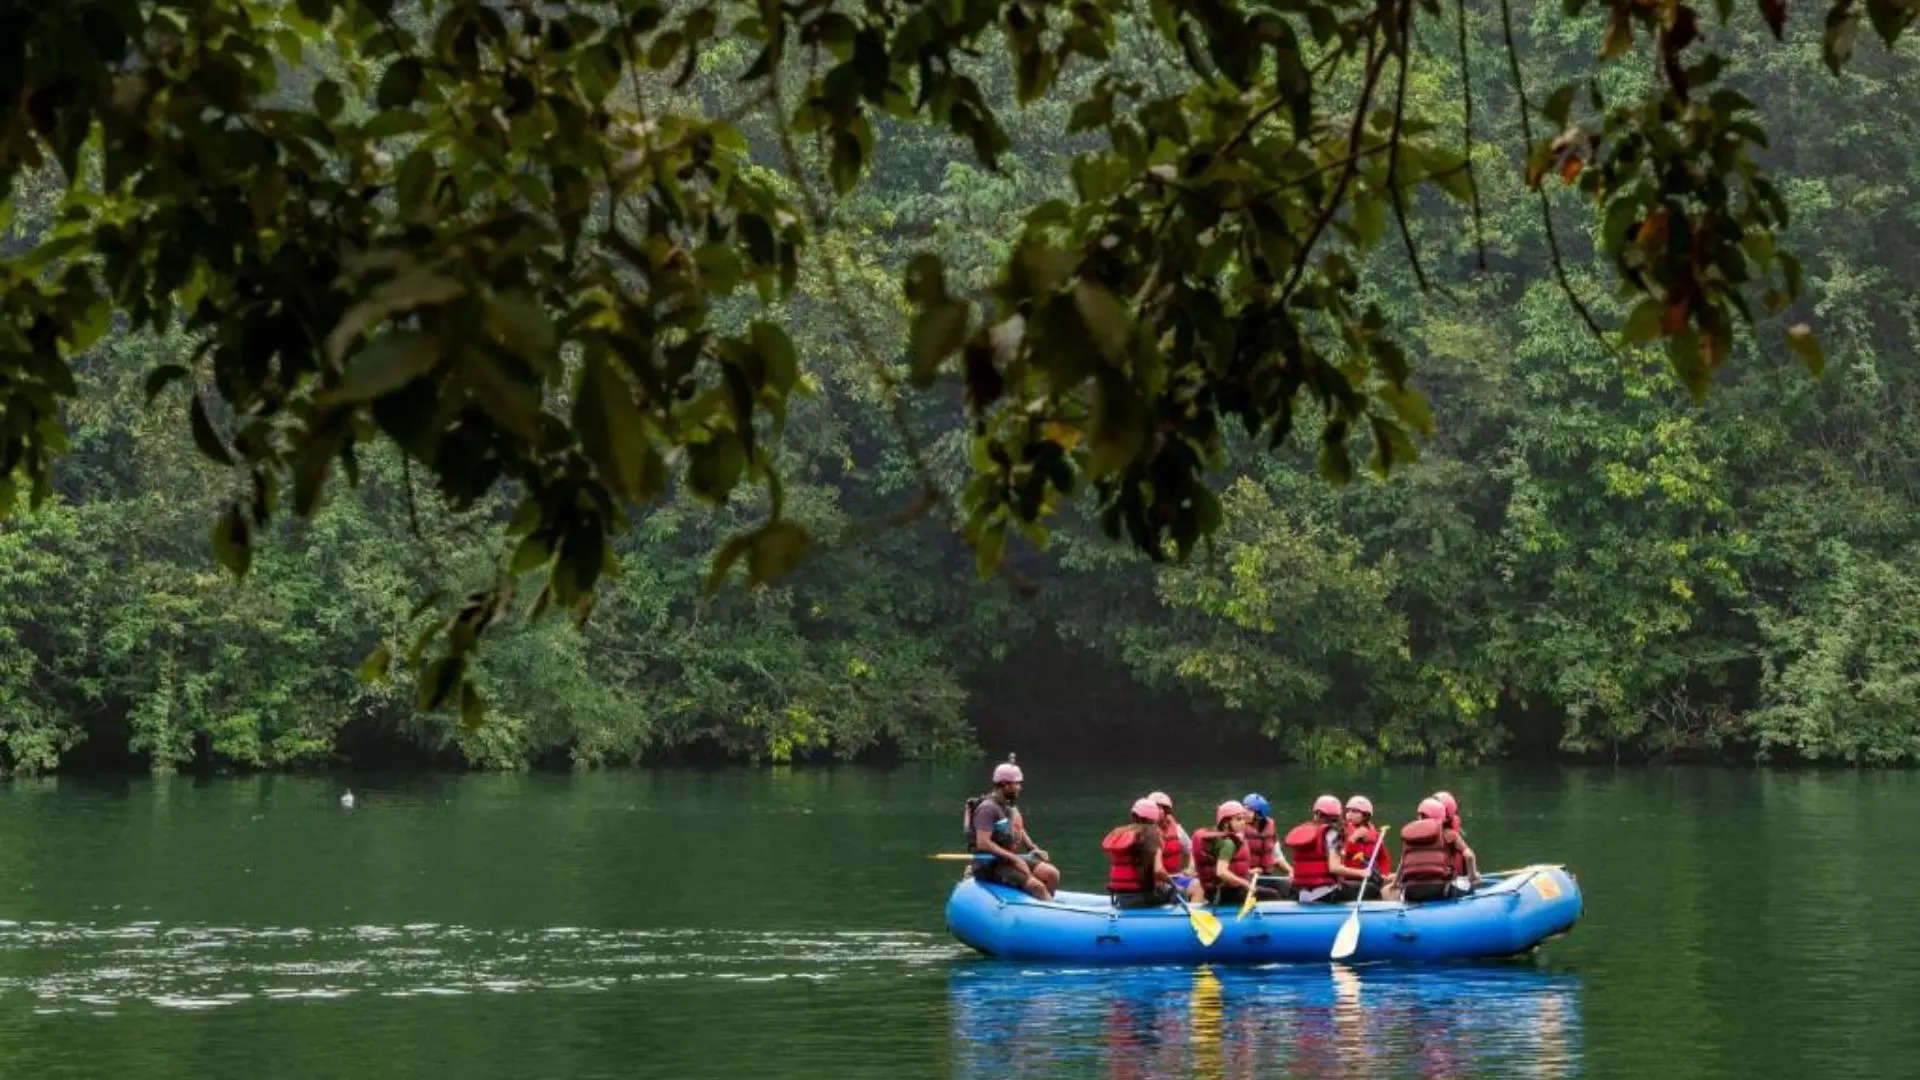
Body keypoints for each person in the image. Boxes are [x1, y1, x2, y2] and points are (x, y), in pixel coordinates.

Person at [967, 761, 1059, 899]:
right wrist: (1015, 859)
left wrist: (1032, 848)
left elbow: (1018, 829)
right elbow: (983, 843)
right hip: (990, 864)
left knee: (1051, 873)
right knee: (1037, 887)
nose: (1019, 788)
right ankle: (1046, 906)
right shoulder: (988, 809)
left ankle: (1045, 904)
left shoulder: (1008, 806)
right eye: (1016, 784)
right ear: (1004, 785)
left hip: (1007, 859)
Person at [1193, 801, 1283, 907]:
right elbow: (1221, 872)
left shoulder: (1220, 838)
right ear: (1226, 822)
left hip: (1218, 892)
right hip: (1224, 894)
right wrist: (1244, 883)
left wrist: (1249, 871)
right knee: (1273, 895)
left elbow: (1226, 865)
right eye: (1238, 819)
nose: (1243, 822)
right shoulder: (1228, 843)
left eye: (1244, 819)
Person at [1103, 797, 1178, 908]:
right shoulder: (1154, 836)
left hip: (1120, 896)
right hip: (1143, 896)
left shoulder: (1120, 833)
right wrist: (1172, 883)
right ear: (1155, 817)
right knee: (1179, 891)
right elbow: (1158, 871)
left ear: (1133, 815)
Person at [1391, 798, 1467, 902]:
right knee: (1469, 890)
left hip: (1411, 891)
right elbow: (1469, 856)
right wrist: (1473, 877)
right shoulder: (1450, 834)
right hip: (1440, 889)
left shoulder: (1410, 836)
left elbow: (1402, 863)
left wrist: (1394, 884)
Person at [1282, 794, 1354, 902]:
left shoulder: (1305, 832)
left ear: (1316, 813)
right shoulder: (1333, 833)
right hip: (1325, 893)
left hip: (1300, 893)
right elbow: (1334, 868)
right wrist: (1361, 872)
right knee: (1365, 889)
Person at [1149, 791, 1204, 902]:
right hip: (1152, 881)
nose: (1157, 811)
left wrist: (1191, 868)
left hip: (1174, 877)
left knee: (1200, 885)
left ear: (1166, 811)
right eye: (1154, 808)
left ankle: (1191, 914)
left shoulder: (1177, 830)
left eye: (1160, 808)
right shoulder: (1143, 833)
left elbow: (1192, 849)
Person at [1339, 794, 1392, 899]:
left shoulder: (1375, 835)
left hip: (1369, 879)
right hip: (1348, 879)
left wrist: (1384, 874)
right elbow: (1340, 856)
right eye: (1348, 811)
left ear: (1365, 815)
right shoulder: (1341, 832)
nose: (1349, 814)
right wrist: (1353, 838)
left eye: (1355, 811)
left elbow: (1383, 858)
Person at [1240, 793, 1292, 887]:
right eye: (1244, 808)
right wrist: (1249, 871)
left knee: (1289, 888)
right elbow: (1233, 863)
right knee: (1274, 895)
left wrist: (1291, 871)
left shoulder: (1269, 829)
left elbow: (1278, 857)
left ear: (1259, 815)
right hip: (1247, 879)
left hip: (1265, 878)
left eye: (1249, 809)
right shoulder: (1239, 829)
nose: (1244, 812)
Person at [1431, 790, 1480, 887]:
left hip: (1419, 884)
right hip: (1448, 885)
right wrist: (1473, 876)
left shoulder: (1417, 834)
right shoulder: (1452, 835)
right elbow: (1469, 855)